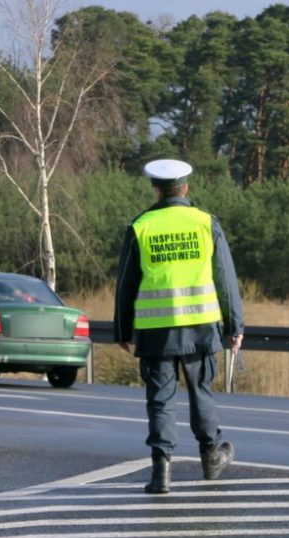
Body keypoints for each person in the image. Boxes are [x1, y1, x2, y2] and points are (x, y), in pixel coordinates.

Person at [114, 159, 244, 495]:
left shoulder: (141, 225)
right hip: (200, 326)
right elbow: (225, 280)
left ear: (156, 189)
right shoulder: (205, 223)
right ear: (185, 188)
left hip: (156, 330)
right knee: (201, 392)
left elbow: (127, 283)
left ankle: (162, 473)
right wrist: (234, 325)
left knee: (160, 399)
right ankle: (211, 457)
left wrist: (122, 329)